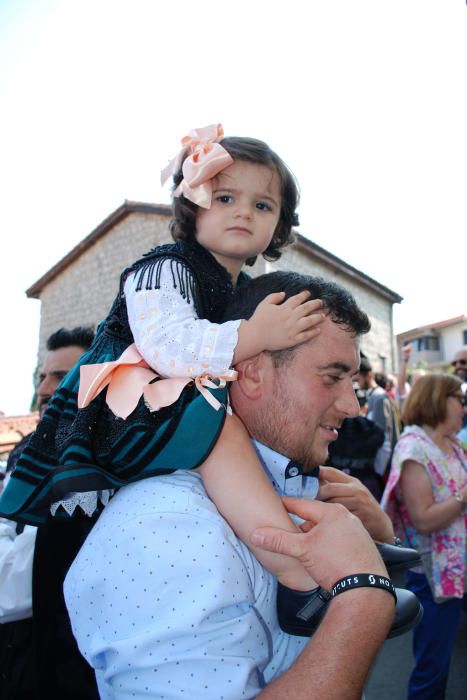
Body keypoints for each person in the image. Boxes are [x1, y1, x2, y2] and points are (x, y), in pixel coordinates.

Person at [63, 272, 422, 699]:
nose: (352, 406)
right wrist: (362, 602)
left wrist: (376, 540)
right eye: (331, 377)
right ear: (250, 373)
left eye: (354, 381)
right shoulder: (168, 529)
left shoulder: (295, 487)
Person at [0, 326, 98, 700]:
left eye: (59, 376)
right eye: (42, 376)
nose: (43, 389)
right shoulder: (30, 448)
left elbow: (9, 588)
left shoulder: (92, 466)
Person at [382, 373, 467, 700]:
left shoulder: (451, 441)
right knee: (432, 668)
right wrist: (462, 498)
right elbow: (424, 519)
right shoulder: (413, 448)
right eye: (458, 398)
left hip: (457, 565)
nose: (463, 405)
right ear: (437, 400)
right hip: (435, 576)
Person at [357, 355, 400, 499]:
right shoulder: (374, 396)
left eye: (358, 379)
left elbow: (383, 435)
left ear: (368, 375)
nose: (357, 383)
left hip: (384, 464)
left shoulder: (379, 397)